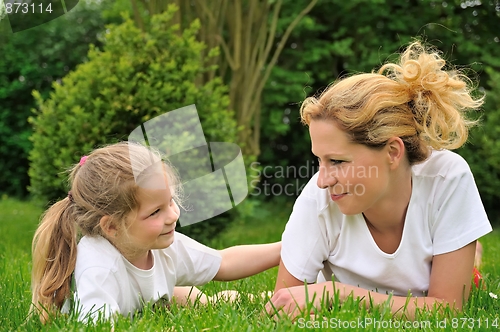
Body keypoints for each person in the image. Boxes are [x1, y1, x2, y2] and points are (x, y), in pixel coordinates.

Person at [265, 41, 492, 319]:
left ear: (392, 152)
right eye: (319, 161)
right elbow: (282, 304)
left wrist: (336, 293)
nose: (322, 180)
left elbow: (446, 309)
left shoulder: (447, 178)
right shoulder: (318, 196)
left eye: (337, 161)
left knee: (471, 274)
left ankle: (469, 252)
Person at [31, 142, 281, 323]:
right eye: (155, 212)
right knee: (177, 297)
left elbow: (223, 262)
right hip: (126, 306)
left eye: (170, 202)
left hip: (148, 299)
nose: (172, 215)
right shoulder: (99, 268)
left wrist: (287, 248)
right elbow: (98, 326)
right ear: (112, 227)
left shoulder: (160, 244)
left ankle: (256, 298)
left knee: (186, 295)